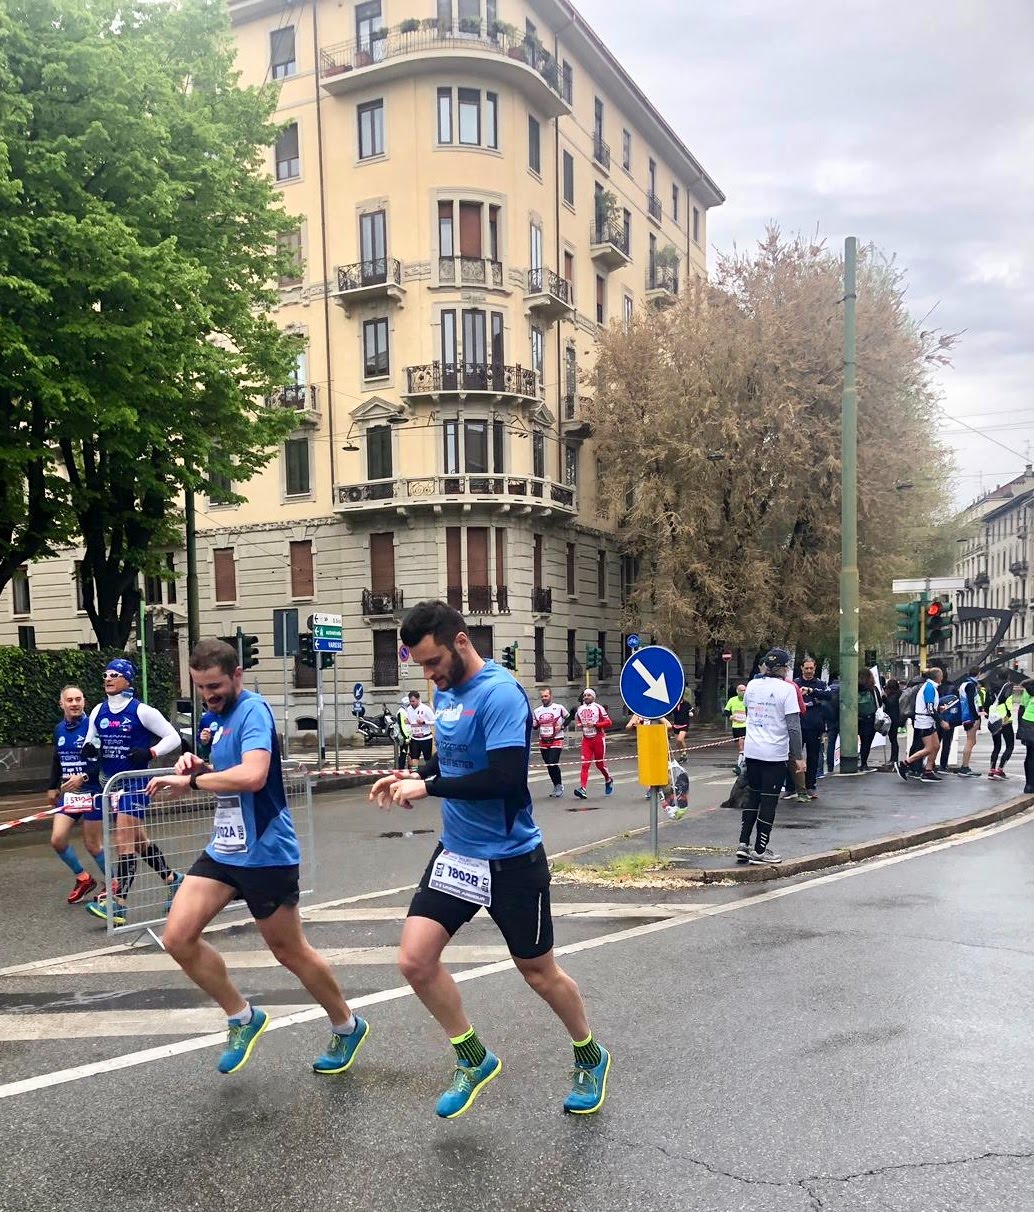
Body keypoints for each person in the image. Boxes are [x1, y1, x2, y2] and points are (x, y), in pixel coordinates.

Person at [369, 601, 610, 1118]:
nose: (429, 675)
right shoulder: (447, 692)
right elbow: (452, 754)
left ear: (460, 642)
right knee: (414, 960)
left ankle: (590, 1055)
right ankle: (472, 1058)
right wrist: (412, 775)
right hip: (457, 855)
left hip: (511, 861)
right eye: (421, 667)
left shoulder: (501, 693)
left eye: (433, 662)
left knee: (538, 972)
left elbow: (502, 778)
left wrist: (428, 785)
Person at [146, 639, 369, 1076]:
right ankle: (242, 1017)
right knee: (177, 937)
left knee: (289, 951)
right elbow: (225, 773)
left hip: (266, 850)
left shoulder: (253, 712)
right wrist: (198, 769)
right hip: (225, 849)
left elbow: (253, 776)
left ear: (237, 676)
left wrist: (192, 785)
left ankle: (347, 1025)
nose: (208, 696)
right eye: (201, 688)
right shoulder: (216, 718)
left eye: (215, 686)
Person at [82, 659, 184, 925]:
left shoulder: (142, 711)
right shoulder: (97, 711)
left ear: (127, 679)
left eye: (114, 675)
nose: (108, 679)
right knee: (139, 842)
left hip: (136, 783)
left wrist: (150, 752)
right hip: (113, 783)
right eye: (105, 674)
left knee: (122, 840)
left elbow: (173, 737)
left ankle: (118, 904)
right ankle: (174, 881)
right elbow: (90, 739)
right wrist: (90, 748)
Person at [735, 647, 803, 867]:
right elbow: (793, 727)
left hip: (753, 750)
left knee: (752, 796)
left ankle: (743, 843)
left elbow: (748, 711)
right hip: (774, 753)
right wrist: (798, 756)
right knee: (769, 800)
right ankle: (760, 849)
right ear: (783, 668)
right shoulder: (787, 690)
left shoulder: (752, 685)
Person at [47, 685, 105, 903]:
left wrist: (85, 777)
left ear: (84, 702)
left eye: (78, 699)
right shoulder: (59, 729)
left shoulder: (93, 726)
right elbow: (56, 759)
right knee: (58, 840)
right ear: (61, 704)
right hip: (70, 795)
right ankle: (83, 878)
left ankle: (114, 884)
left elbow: (103, 759)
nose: (74, 704)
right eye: (69, 700)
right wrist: (52, 786)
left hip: (93, 792)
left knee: (92, 844)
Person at [896, 668, 947, 783]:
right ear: (938, 677)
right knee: (929, 748)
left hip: (926, 720)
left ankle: (928, 771)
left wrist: (938, 709)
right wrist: (941, 721)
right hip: (924, 721)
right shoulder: (929, 688)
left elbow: (929, 706)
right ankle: (905, 763)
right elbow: (929, 708)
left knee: (936, 745)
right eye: (941, 675)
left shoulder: (929, 686)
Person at [572, 688, 613, 802]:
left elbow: (609, 722)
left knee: (600, 764)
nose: (586, 697)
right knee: (585, 765)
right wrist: (580, 725)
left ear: (593, 697)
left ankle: (608, 779)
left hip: (598, 739)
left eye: (589, 695)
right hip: (586, 740)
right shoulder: (580, 709)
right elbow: (578, 721)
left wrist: (595, 724)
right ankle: (583, 789)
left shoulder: (598, 708)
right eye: (585, 695)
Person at [794, 659, 828, 794]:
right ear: (802, 668)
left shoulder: (820, 684)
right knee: (794, 757)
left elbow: (828, 695)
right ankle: (791, 787)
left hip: (815, 726)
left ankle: (810, 786)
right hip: (798, 725)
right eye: (806, 668)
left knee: (813, 757)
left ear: (815, 669)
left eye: (811, 668)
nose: (808, 671)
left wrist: (811, 692)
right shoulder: (795, 683)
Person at [532, 687, 570, 798]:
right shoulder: (537, 711)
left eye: (546, 696)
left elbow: (569, 718)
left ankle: (559, 785)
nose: (544, 698)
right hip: (543, 740)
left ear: (551, 696)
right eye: (542, 696)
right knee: (549, 764)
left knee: (553, 761)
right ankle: (555, 785)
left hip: (556, 739)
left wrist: (561, 727)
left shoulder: (558, 708)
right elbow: (535, 726)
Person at [955, 667, 983, 778]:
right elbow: (971, 702)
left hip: (966, 715)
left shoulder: (964, 684)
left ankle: (965, 766)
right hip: (970, 716)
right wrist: (976, 717)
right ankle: (964, 767)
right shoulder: (971, 685)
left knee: (971, 741)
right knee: (970, 741)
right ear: (979, 673)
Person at [988, 680, 1017, 779]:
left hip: (994, 719)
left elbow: (987, 703)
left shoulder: (991, 688)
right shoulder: (1008, 687)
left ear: (997, 677)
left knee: (996, 746)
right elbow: (1007, 703)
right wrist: (1008, 714)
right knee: (1010, 746)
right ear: (1008, 676)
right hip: (1005, 720)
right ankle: (1000, 769)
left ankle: (992, 770)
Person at [405, 690, 437, 772]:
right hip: (414, 738)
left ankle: (429, 773)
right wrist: (408, 732)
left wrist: (424, 722)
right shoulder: (409, 709)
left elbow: (435, 721)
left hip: (425, 738)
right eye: (410, 701)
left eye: (413, 701)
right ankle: (414, 773)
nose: (412, 703)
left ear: (418, 699)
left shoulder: (426, 709)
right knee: (414, 758)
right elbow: (409, 723)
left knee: (427, 758)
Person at [857, 669, 881, 772]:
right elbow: (879, 703)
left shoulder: (854, 688)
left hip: (856, 719)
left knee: (857, 741)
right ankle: (864, 764)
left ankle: (853, 761)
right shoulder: (873, 689)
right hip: (869, 720)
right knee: (866, 743)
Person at [723, 683, 748, 770]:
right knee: (740, 747)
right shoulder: (732, 700)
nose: (744, 692)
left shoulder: (748, 700)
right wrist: (730, 716)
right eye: (741, 690)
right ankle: (743, 763)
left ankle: (739, 767)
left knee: (742, 746)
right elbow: (726, 711)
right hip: (736, 726)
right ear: (737, 691)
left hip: (745, 726)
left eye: (745, 690)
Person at [1018, 679, 1034, 794]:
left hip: (1028, 722)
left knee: (1030, 755)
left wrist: (1021, 729)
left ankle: (1029, 785)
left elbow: (1022, 708)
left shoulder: (1028, 688)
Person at [883, 678, 902, 767]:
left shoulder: (894, 696)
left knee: (893, 739)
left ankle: (894, 758)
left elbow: (890, 704)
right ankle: (894, 758)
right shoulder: (899, 694)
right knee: (893, 739)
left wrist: (884, 698)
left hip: (893, 720)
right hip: (895, 719)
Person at [822, 678, 840, 775]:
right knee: (845, 742)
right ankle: (845, 762)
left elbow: (824, 706)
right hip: (842, 720)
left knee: (831, 744)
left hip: (830, 721)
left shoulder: (828, 691)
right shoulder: (842, 690)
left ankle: (830, 766)